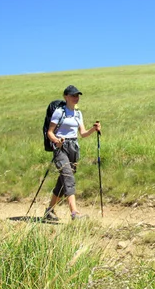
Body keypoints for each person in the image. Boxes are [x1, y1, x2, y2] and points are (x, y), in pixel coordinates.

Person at [43, 85, 101, 221]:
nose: (76, 98)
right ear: (66, 97)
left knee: (63, 181)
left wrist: (94, 129)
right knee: (68, 177)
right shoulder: (59, 112)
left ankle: (49, 211)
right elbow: (50, 132)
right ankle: (75, 213)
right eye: (73, 95)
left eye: (77, 95)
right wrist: (56, 141)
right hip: (60, 147)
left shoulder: (78, 113)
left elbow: (83, 133)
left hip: (73, 147)